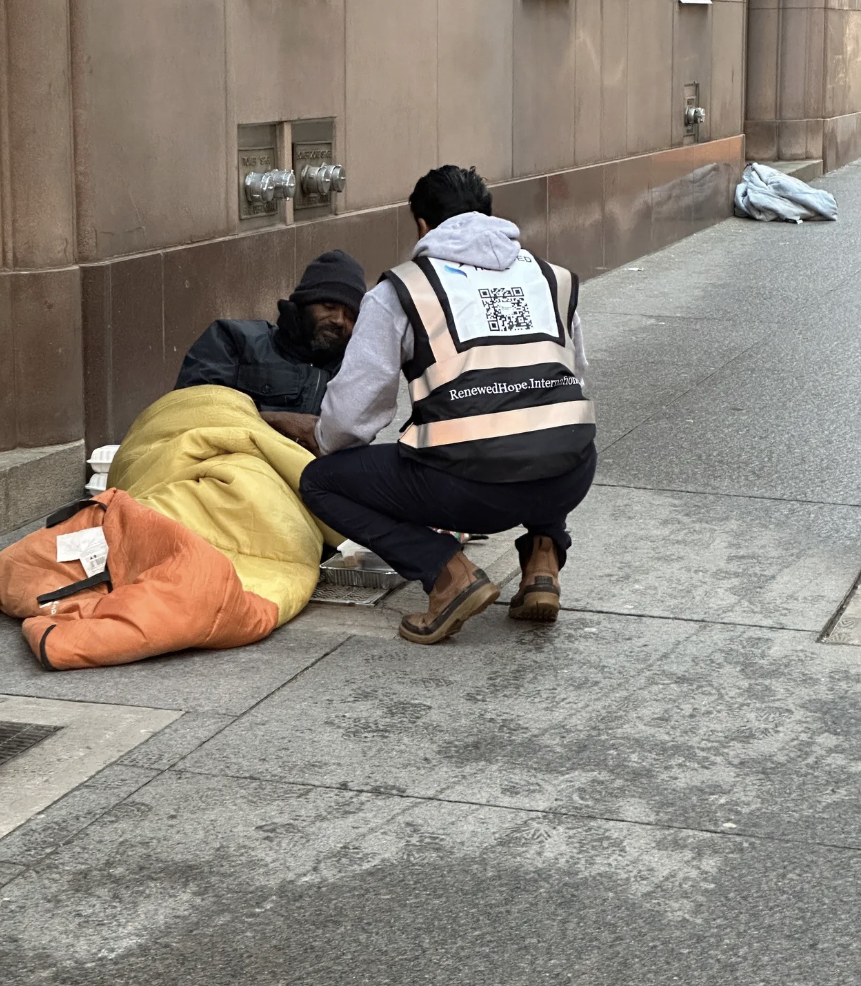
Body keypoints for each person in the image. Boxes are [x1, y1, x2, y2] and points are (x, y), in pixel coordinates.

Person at [294, 165, 596, 645]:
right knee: (540, 422)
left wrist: (323, 437)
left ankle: (446, 575)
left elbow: (350, 421)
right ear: (490, 216)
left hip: (468, 492)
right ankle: (544, 560)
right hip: (569, 478)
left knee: (320, 484)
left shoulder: (403, 289)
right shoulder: (550, 278)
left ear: (421, 226)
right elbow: (571, 379)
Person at [174, 250, 366, 443]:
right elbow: (188, 413)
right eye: (329, 306)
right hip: (230, 461)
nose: (339, 320)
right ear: (303, 304)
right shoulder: (233, 340)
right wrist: (276, 420)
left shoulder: (352, 371)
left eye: (350, 315)